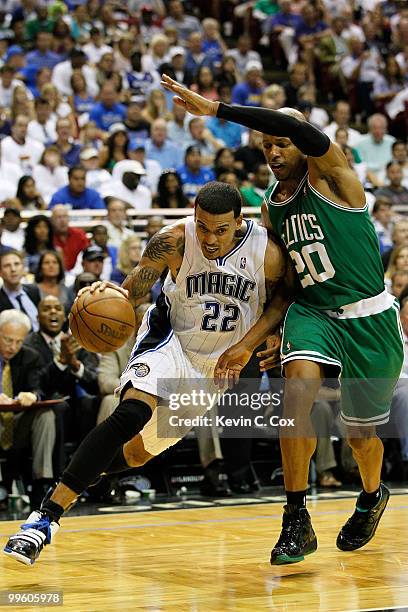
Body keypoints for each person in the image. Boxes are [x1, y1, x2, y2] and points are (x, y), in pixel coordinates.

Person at [158, 74, 404, 564]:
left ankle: (373, 495)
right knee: (295, 396)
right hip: (313, 313)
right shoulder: (271, 207)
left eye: (281, 142)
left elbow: (290, 124)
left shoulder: (334, 172)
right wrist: (254, 340)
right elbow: (285, 289)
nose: (272, 151)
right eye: (266, 145)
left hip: (367, 318)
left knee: (361, 437)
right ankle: (296, 517)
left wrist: (217, 109)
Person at [3, 180, 289, 565]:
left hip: (213, 370)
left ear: (239, 222)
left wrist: (250, 345)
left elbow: (279, 304)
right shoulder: (174, 240)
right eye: (202, 225)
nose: (208, 238)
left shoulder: (267, 252)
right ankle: (44, 519)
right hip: (169, 341)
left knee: (135, 455)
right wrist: (114, 298)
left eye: (220, 230)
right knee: (131, 413)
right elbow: (135, 291)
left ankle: (81, 473)